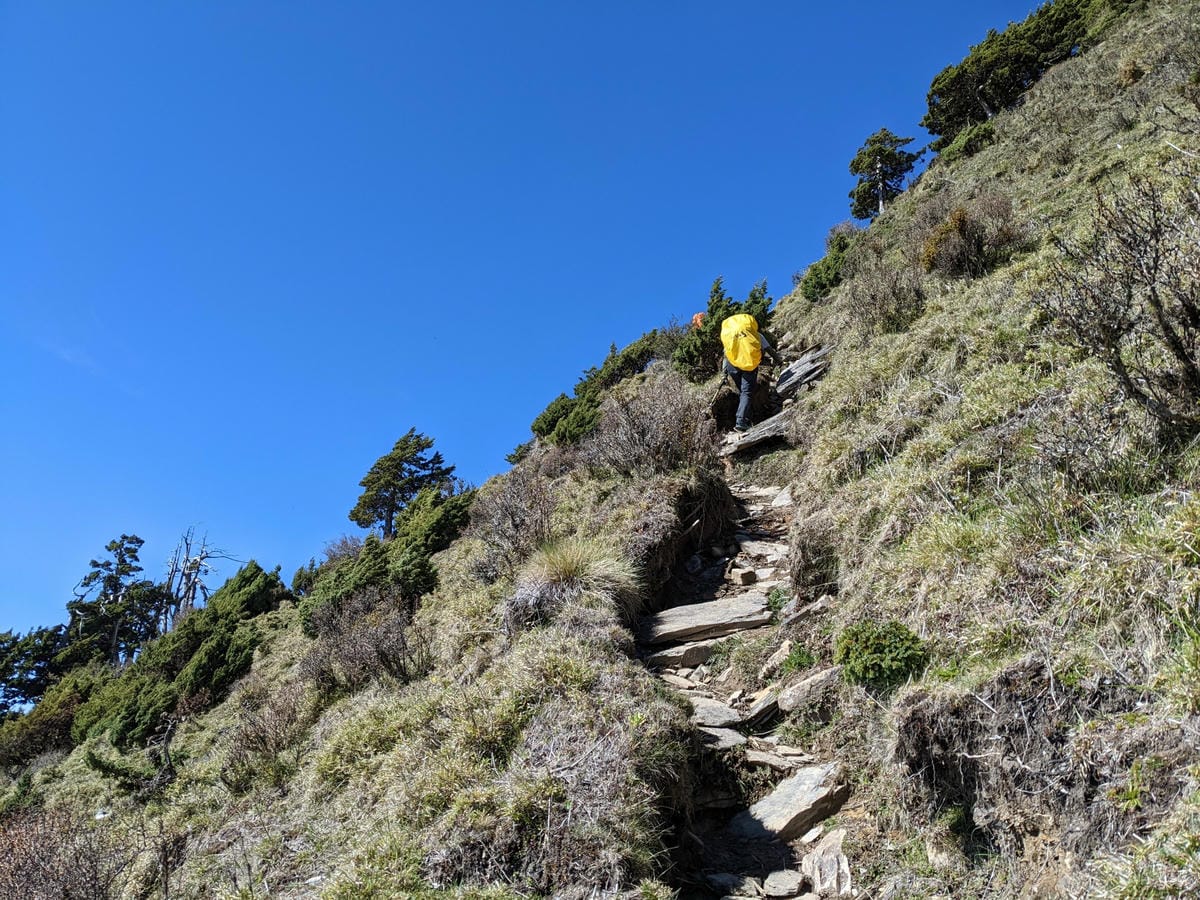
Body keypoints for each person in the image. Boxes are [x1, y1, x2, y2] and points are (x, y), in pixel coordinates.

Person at [721, 313, 783, 432]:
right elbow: (770, 350)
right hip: (748, 365)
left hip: (732, 366)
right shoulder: (756, 335)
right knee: (746, 392)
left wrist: (724, 375)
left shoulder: (731, 337)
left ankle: (747, 417)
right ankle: (741, 421)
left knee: (743, 392)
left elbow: (726, 355)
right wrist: (779, 361)